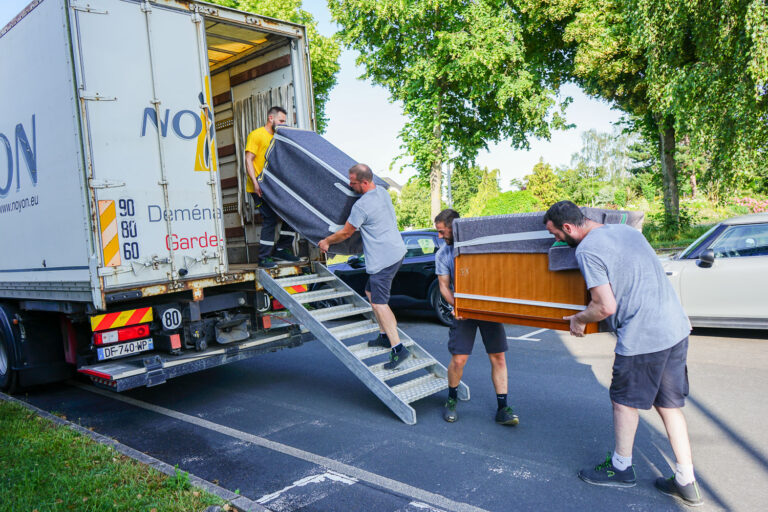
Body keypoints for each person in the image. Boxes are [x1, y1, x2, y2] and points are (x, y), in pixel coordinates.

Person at [543, 200, 702, 506]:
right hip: (676, 327)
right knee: (668, 406)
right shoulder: (627, 231)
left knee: (623, 402)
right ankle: (686, 480)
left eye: (556, 235)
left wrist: (578, 319)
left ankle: (621, 468)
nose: (557, 242)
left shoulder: (587, 250)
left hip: (644, 336)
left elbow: (605, 306)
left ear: (568, 227)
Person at [433, 209, 519, 426]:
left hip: (488, 309)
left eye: (442, 232)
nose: (440, 237)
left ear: (455, 227)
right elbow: (443, 286)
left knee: (498, 357)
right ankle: (451, 400)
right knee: (459, 359)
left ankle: (503, 408)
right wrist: (458, 305)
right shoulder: (443, 254)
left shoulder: (480, 247)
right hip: (464, 312)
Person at [318, 164, 408, 370]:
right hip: (396, 253)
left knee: (379, 304)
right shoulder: (383, 193)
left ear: (365, 182)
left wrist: (327, 242)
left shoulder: (362, 205)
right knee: (370, 291)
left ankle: (398, 348)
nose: (350, 186)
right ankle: (385, 336)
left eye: (353, 182)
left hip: (383, 260)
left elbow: (346, 233)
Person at [244, 106, 299, 269]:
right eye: (281, 121)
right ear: (271, 118)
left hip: (274, 187)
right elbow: (248, 160)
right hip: (258, 187)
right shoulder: (257, 134)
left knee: (292, 214)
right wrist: (255, 183)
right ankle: (264, 258)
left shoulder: (278, 137)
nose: (283, 124)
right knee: (269, 218)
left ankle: (281, 249)